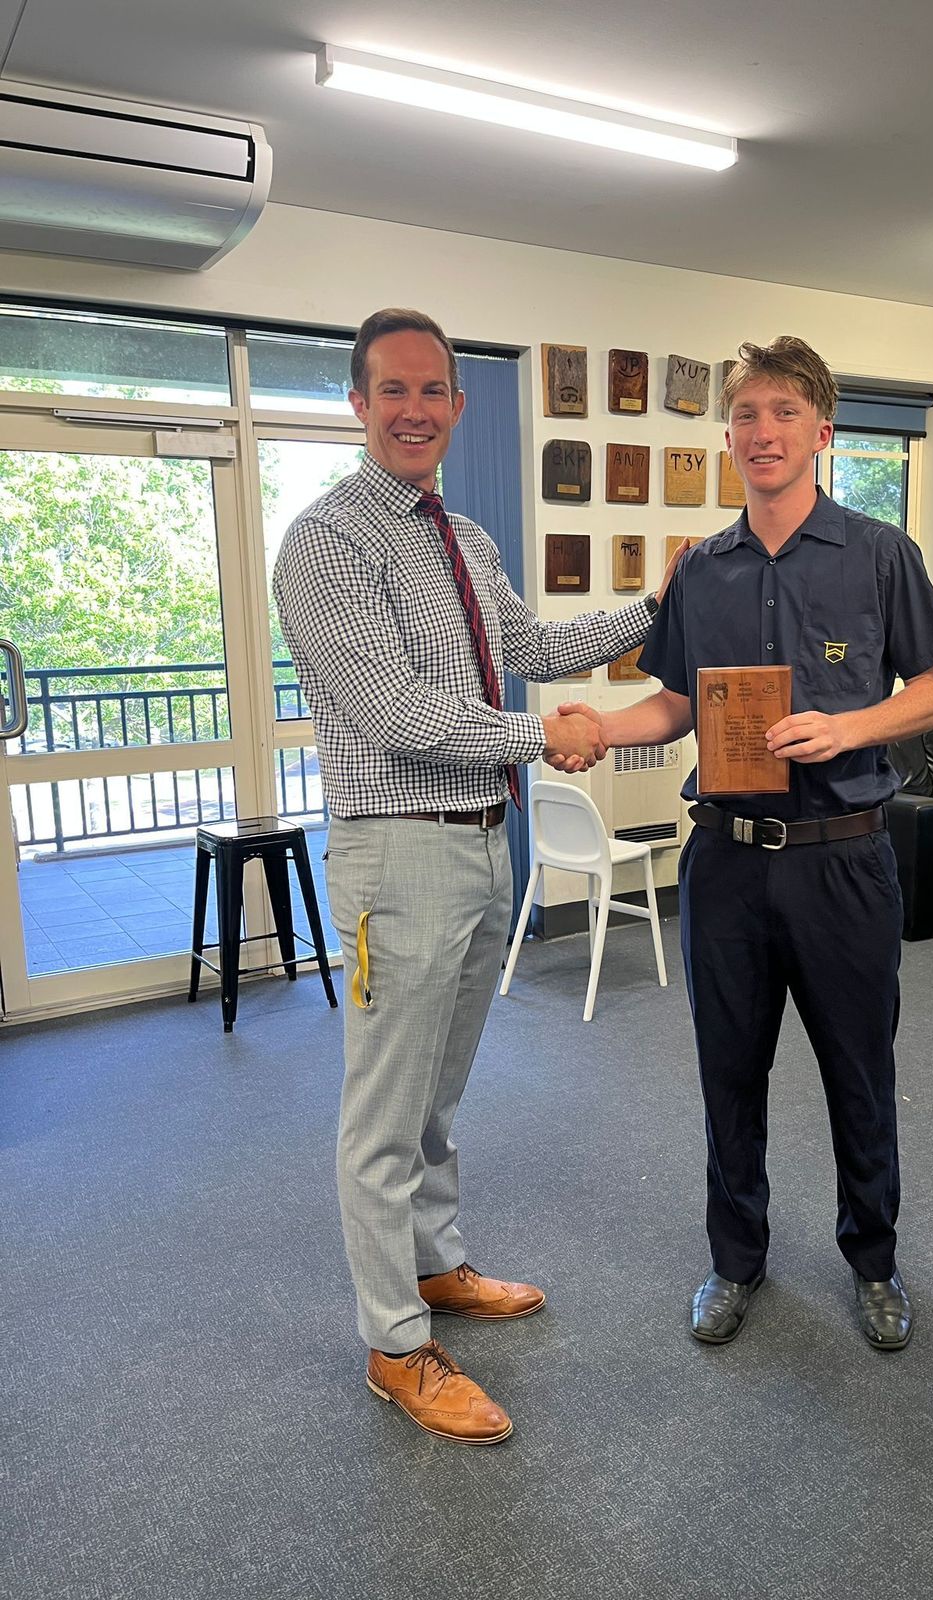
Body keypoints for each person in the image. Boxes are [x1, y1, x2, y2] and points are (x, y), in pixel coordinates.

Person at [273, 307, 681, 1444]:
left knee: (437, 1093)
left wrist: (659, 606)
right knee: (383, 1110)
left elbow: (531, 647)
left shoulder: (466, 537)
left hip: (480, 841)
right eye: (392, 390)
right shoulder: (326, 542)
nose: (414, 411)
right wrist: (547, 735)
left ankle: (434, 1262)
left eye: (432, 391)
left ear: (457, 404)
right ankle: (395, 1343)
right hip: (395, 850)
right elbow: (397, 714)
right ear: (358, 404)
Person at [563, 336, 933, 1351]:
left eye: (784, 412)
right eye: (746, 415)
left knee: (859, 1073)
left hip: (844, 860)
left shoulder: (881, 554)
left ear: (822, 431)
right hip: (729, 863)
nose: (763, 431)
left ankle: (873, 1259)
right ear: (730, 436)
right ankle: (735, 1259)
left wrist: (850, 728)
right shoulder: (701, 571)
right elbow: (674, 705)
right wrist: (598, 727)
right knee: (728, 1072)